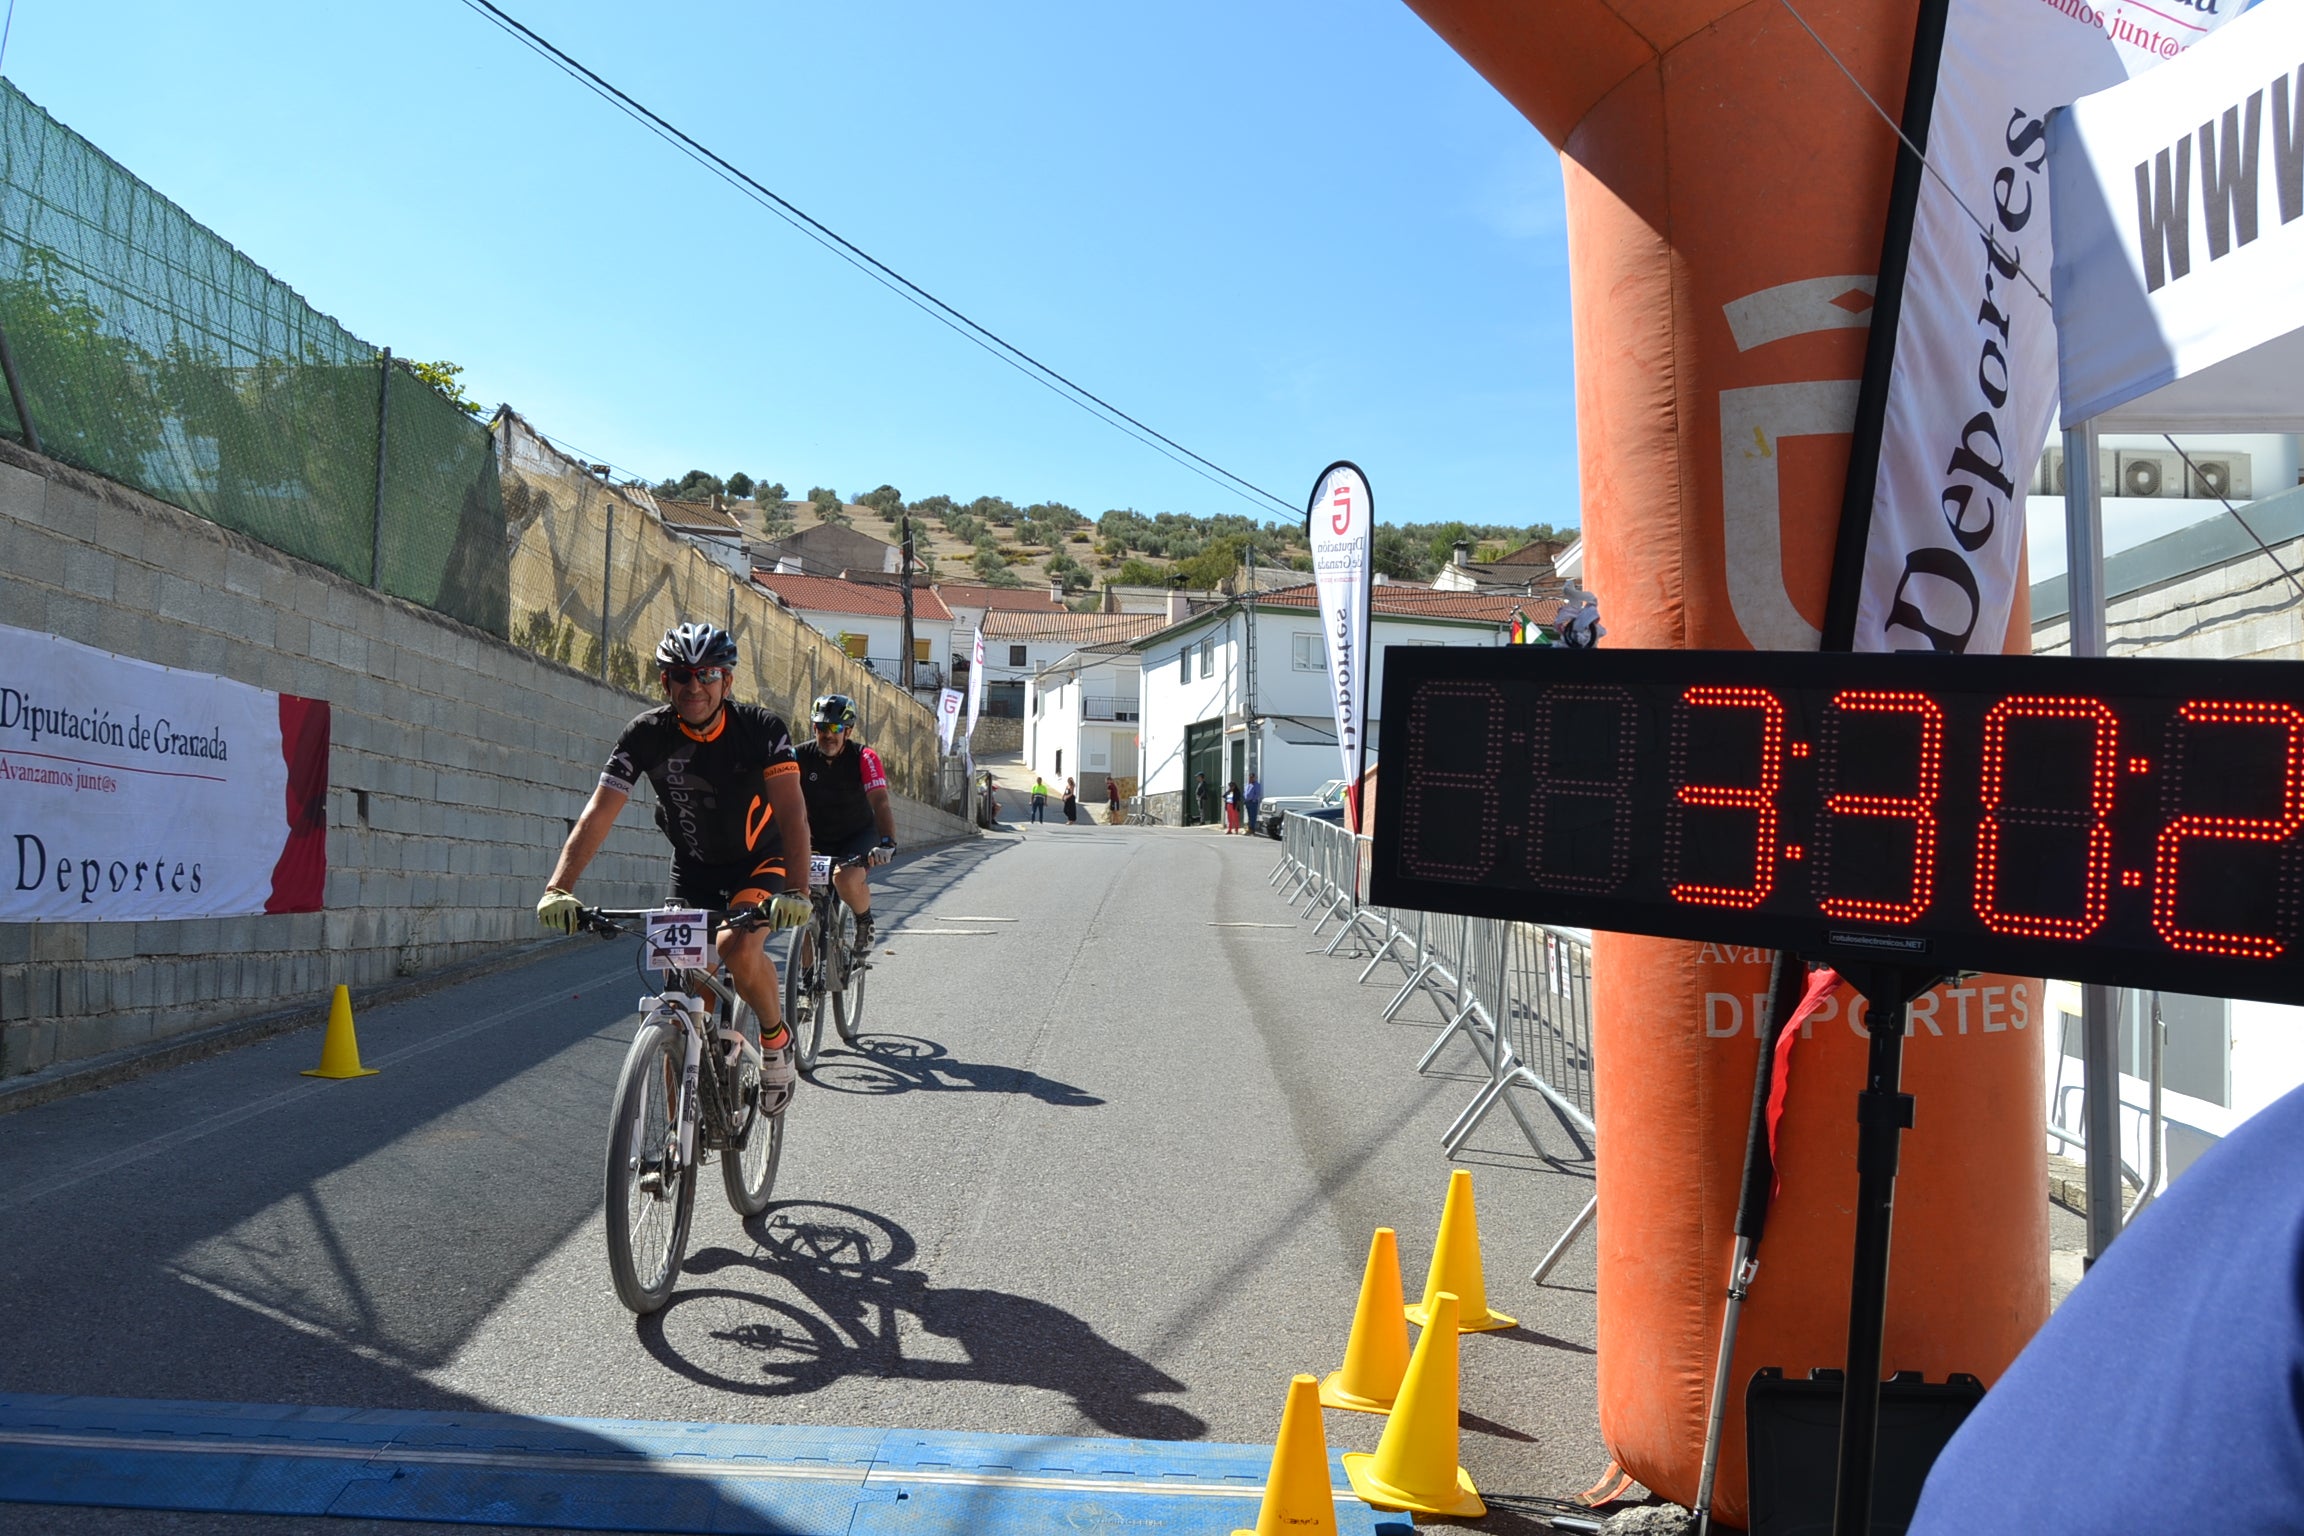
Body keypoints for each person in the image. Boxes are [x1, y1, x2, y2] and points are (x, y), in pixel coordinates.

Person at [536, 622, 812, 1113]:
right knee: (679, 1001)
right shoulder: (645, 735)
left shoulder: (762, 731)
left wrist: (798, 890)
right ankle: (672, 1148)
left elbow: (792, 814)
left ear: (727, 682)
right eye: (681, 675)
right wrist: (560, 887)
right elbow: (599, 812)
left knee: (736, 946)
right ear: (666, 683)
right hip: (694, 868)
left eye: (708, 674)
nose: (694, 686)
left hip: (760, 862)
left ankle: (775, 1041)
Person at [793, 693, 897, 952]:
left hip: (857, 835)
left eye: (835, 728)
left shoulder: (865, 757)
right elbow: (781, 801)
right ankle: (805, 983)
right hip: (815, 838)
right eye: (821, 727)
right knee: (803, 906)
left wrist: (887, 842)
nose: (828, 734)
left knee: (846, 879)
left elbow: (880, 801)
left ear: (848, 731)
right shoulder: (798, 756)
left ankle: (864, 920)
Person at [1242, 773, 1263, 838]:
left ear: (1254, 778)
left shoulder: (1256, 785)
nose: (1250, 778)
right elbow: (1245, 792)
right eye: (1250, 777)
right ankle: (1249, 829)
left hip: (1253, 803)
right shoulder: (1247, 784)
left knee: (1253, 817)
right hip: (1247, 802)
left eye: (1252, 777)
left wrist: (1252, 799)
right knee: (1249, 816)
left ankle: (1252, 830)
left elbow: (1257, 794)